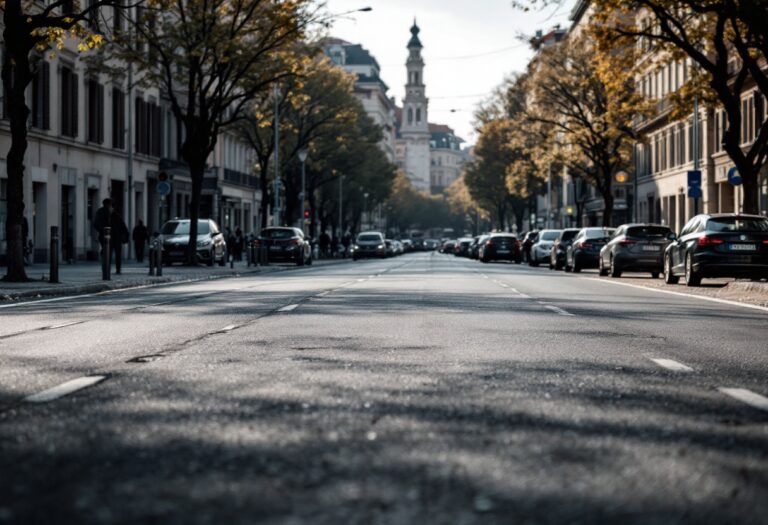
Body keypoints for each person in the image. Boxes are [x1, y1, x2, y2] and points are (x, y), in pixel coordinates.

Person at [93, 198, 113, 270]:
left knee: (106, 249)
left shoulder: (99, 211)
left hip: (103, 234)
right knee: (108, 250)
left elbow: (95, 223)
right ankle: (107, 265)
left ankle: (105, 265)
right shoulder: (112, 211)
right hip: (110, 234)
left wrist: (101, 230)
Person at [111, 209, 129, 274]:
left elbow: (124, 228)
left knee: (108, 254)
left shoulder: (110, 218)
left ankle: (107, 269)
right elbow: (124, 228)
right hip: (116, 239)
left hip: (111, 238)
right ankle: (117, 269)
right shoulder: (118, 218)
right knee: (117, 255)